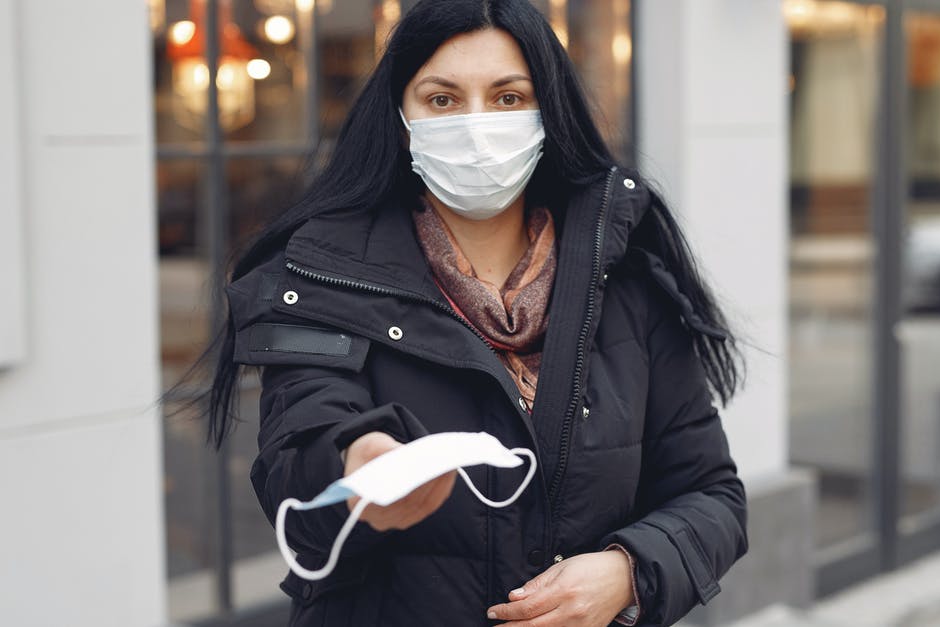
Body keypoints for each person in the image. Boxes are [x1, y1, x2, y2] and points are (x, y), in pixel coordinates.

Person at [199, 1, 747, 624]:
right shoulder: (326, 276)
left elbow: (712, 495)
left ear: (547, 114)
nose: (477, 126)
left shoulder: (625, 281)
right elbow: (297, 461)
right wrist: (356, 470)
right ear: (402, 117)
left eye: (508, 98)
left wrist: (628, 573)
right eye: (442, 100)